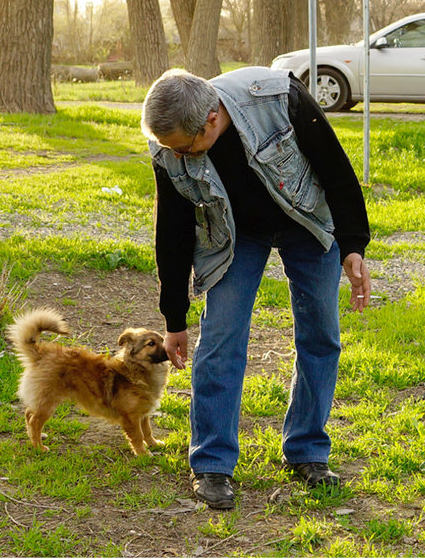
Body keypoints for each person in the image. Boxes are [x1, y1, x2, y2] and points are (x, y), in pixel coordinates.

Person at [141, 66, 371, 510]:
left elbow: (337, 170)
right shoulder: (170, 146)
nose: (180, 157)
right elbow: (171, 231)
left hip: (308, 221)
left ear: (210, 121)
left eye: (186, 149)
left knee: (320, 336)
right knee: (221, 339)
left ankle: (307, 451)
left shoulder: (281, 98)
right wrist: (174, 319)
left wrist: (353, 247)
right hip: (235, 235)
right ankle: (211, 463)